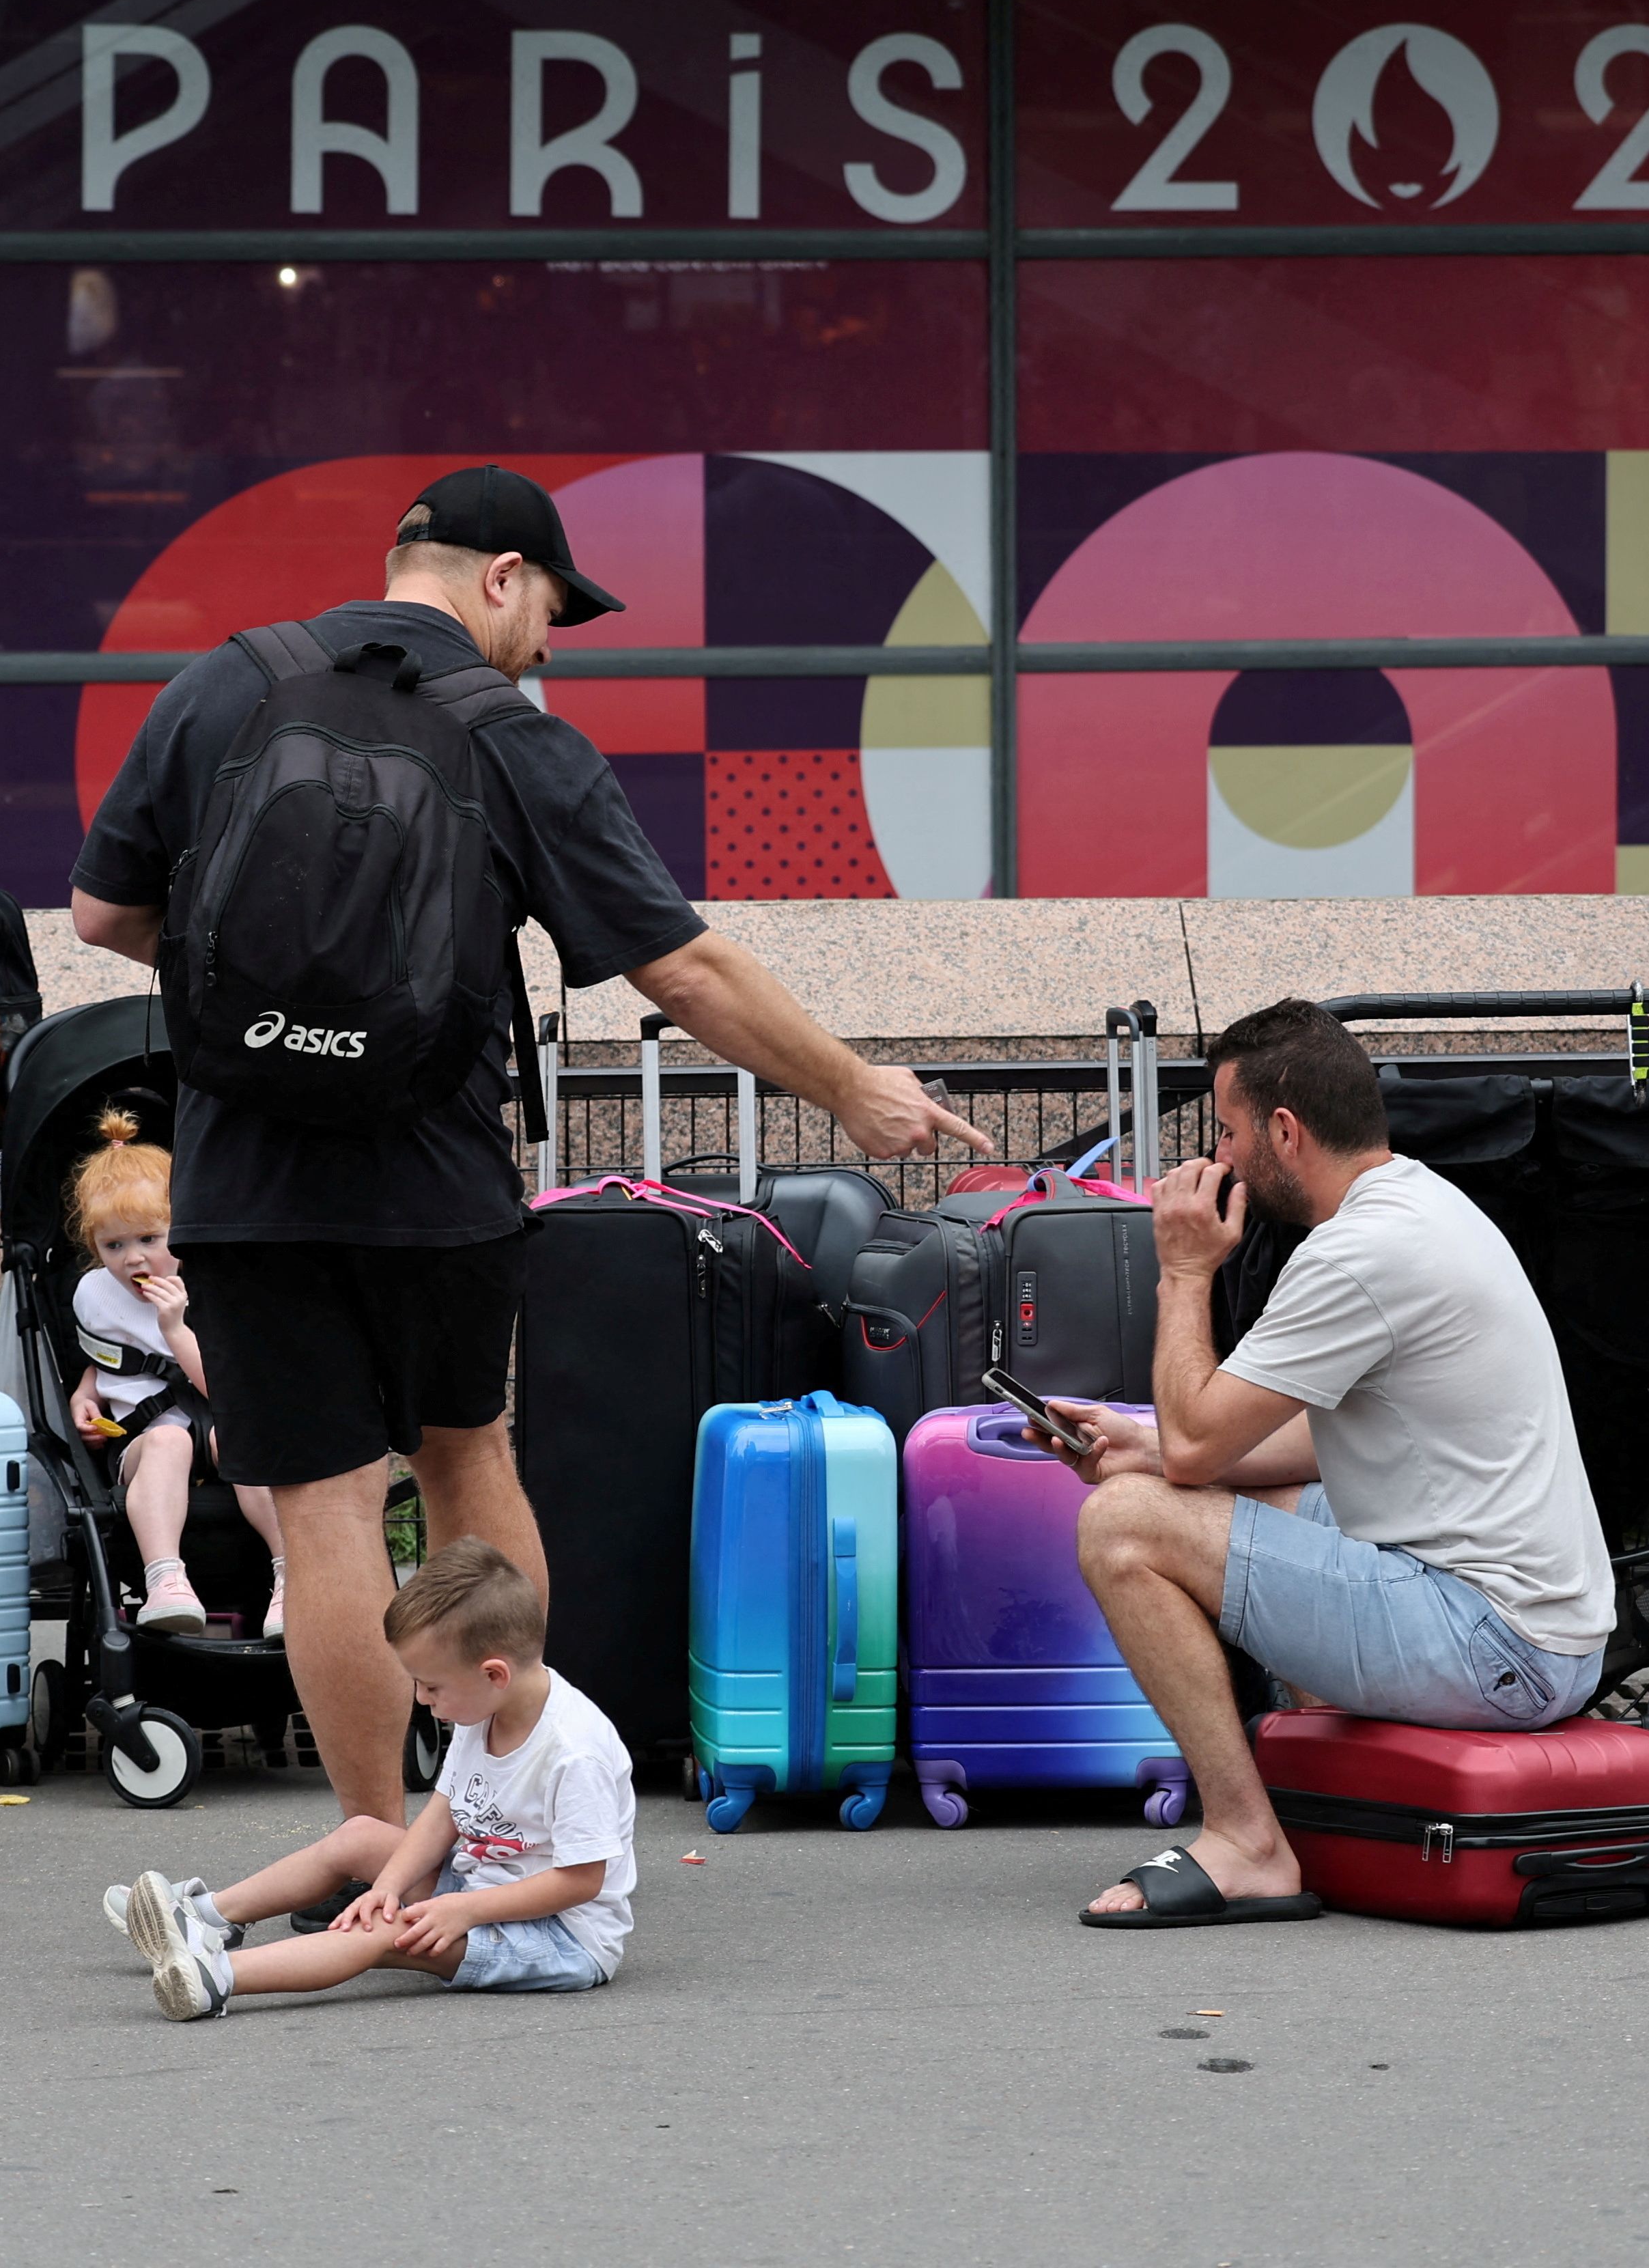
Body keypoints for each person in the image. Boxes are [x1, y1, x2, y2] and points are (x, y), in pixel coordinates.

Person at [68, 464, 984, 1832]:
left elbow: (99, 911)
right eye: (551, 606)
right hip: (433, 1172)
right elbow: (686, 968)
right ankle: (505, 1817)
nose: (548, 642)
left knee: (322, 1513)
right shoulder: (511, 731)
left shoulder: (222, 685)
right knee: (466, 1467)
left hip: (249, 1175)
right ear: (499, 576)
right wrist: (849, 1085)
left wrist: (267, 998)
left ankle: (374, 1842)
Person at [1053, 998, 1616, 1928]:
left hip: (1494, 1646)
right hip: (1539, 1630)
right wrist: (1139, 1447)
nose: (1223, 1158)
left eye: (1228, 1133)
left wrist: (1185, 1273)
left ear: (1285, 1130)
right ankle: (1332, 1792)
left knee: (1121, 1527)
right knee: (1255, 1486)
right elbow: (1299, 1443)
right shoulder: (1421, 1202)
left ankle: (1248, 1841)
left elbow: (1199, 1440)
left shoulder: (1359, 1253)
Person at [109, 1539, 633, 2019]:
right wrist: (388, 1887)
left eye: (430, 1686)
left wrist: (462, 1909)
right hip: (479, 1890)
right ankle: (204, 1918)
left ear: (493, 1673)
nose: (422, 1699)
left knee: (381, 1931)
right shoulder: (485, 1708)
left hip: (560, 1936)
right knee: (362, 1836)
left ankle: (214, 1978)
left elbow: (582, 1881)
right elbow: (443, 1814)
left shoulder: (574, 1751)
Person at [63, 1108, 284, 1638]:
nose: (134, 1260)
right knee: (168, 1444)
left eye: (148, 1240)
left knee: (243, 1437)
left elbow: (226, 1388)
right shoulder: (95, 1293)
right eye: (113, 1246)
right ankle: (166, 1579)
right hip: (144, 1438)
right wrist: (84, 1395)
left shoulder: (206, 1286)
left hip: (217, 1419)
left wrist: (177, 1328)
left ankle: (290, 1573)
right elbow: (109, 1357)